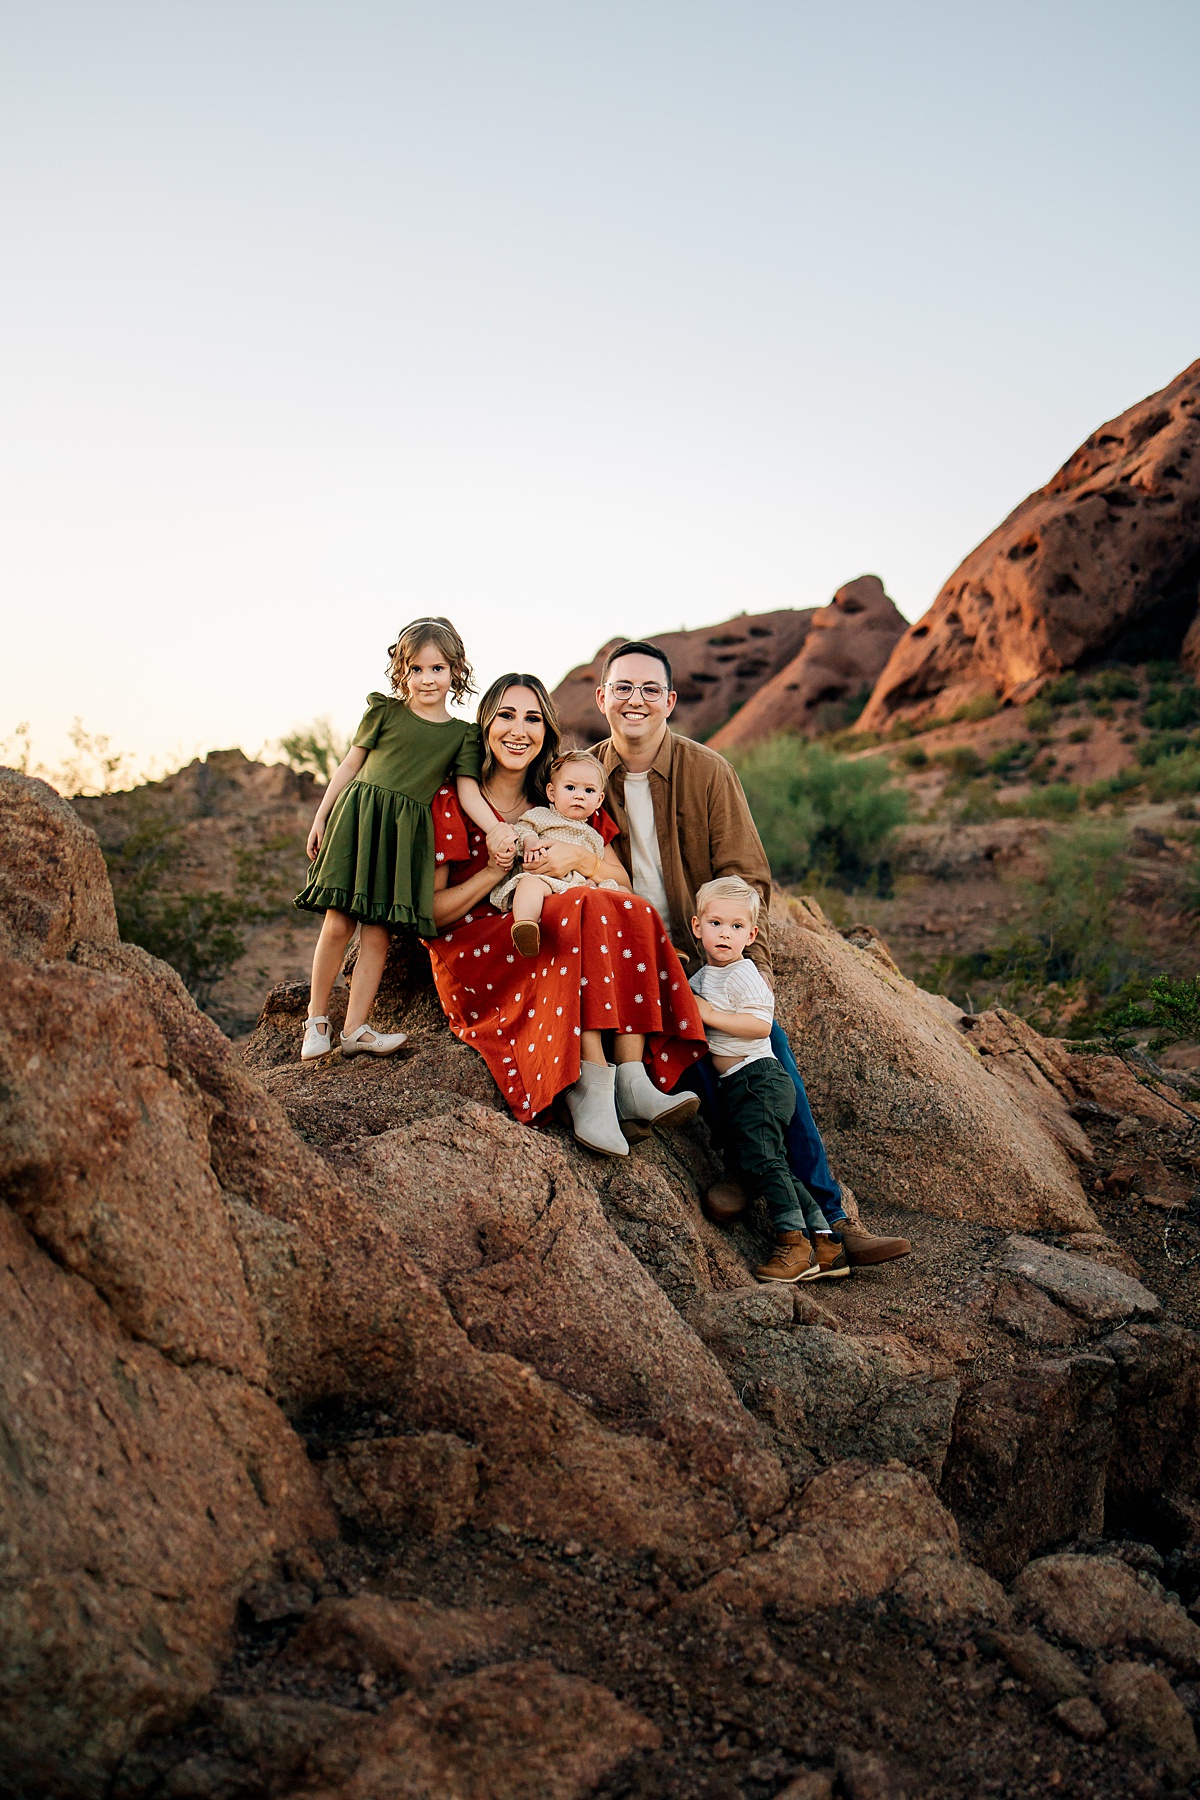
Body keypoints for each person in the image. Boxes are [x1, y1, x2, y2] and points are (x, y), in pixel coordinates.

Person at [590, 639, 910, 1267]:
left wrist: (716, 945)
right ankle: (757, 1178)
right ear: (601, 698)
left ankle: (828, 1219)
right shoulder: (584, 779)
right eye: (622, 687)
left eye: (650, 688)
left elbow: (747, 875)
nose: (636, 700)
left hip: (706, 955)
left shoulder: (708, 772)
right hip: (633, 967)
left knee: (765, 1050)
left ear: (671, 702)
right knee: (694, 1050)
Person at [424, 673, 706, 1155]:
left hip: (568, 917)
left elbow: (620, 886)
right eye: (506, 715)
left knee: (624, 907)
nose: (519, 729)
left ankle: (631, 1078)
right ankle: (589, 1085)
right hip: (484, 941)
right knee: (584, 904)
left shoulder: (564, 794)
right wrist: (495, 872)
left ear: (546, 731)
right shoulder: (450, 799)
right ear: (485, 724)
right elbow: (432, 914)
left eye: (532, 718)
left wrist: (581, 860)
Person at [295, 616, 508, 1062]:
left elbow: (468, 792)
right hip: (359, 821)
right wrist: (321, 816)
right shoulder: (384, 712)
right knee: (338, 921)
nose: (427, 679)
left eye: (437, 669)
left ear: (455, 671)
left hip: (403, 836)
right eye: (416, 669)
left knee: (378, 933)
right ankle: (316, 1021)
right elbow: (350, 766)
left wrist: (497, 830)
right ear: (402, 670)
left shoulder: (461, 735)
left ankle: (355, 1029)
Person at [688, 876, 850, 1283]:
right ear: (696, 927)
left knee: (764, 1162)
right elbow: (682, 998)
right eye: (716, 924)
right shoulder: (706, 976)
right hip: (739, 1086)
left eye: (737, 927)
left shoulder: (744, 974)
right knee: (773, 1163)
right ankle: (827, 1244)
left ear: (752, 934)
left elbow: (760, 1026)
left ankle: (792, 1245)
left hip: (760, 1080)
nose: (725, 934)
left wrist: (708, 1015)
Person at [490, 751, 621, 957]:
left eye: (589, 790)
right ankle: (526, 927)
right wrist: (531, 842)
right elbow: (522, 829)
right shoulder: (541, 815)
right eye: (570, 788)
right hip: (544, 880)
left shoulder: (594, 836)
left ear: (599, 800)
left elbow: (595, 869)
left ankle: (644, 940)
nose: (579, 795)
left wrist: (592, 883)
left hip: (576, 888)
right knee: (528, 884)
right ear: (551, 792)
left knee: (620, 892)